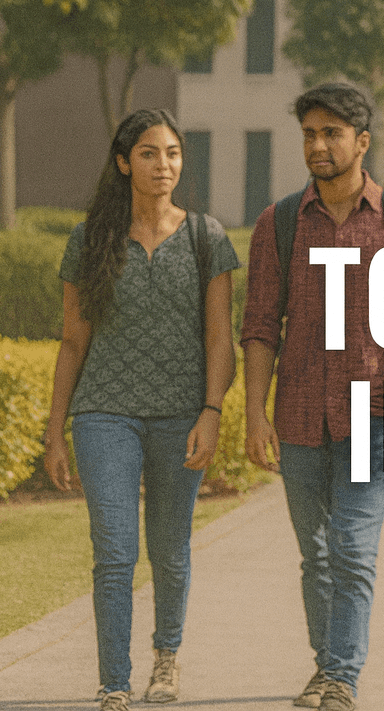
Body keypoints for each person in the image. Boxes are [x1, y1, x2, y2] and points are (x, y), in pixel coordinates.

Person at [242, 82, 384, 711]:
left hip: (373, 415)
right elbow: (258, 326)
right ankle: (327, 666)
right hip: (299, 414)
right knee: (316, 556)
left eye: (332, 133)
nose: (319, 145)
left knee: (353, 549)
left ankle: (340, 678)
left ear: (362, 141)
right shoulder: (278, 225)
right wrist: (253, 412)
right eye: (310, 133)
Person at [43, 109, 240, 711]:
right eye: (150, 154)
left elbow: (218, 339)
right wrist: (55, 431)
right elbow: (74, 340)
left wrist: (211, 411)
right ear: (125, 162)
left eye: (174, 153)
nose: (164, 165)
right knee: (115, 547)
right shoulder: (90, 240)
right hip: (105, 413)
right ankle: (114, 682)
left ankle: (166, 658)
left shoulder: (208, 238)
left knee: (169, 545)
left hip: (181, 414)